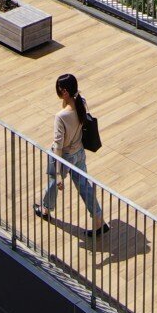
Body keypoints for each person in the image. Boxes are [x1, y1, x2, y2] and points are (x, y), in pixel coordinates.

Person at [35, 73, 107, 237]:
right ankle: (98, 221)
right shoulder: (81, 102)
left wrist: (59, 173)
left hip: (65, 156)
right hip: (79, 152)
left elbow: (59, 146)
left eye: (59, 90)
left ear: (65, 91)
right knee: (84, 186)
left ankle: (45, 209)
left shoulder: (61, 117)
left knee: (53, 181)